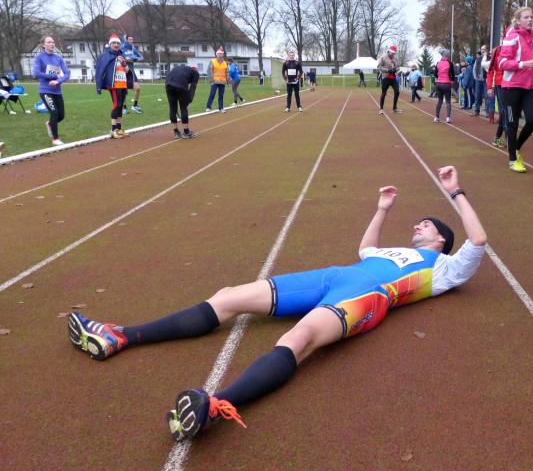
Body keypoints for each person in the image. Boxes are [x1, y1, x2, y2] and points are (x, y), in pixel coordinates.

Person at [67, 165, 487, 442]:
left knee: (298, 339)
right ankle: (121, 335)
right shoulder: (392, 250)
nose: (418, 225)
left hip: (363, 299)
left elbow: (479, 239)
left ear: (441, 239)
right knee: (229, 296)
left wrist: (455, 191)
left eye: (426, 225)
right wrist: (382, 210)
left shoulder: (445, 268)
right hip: (331, 277)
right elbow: (365, 249)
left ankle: (216, 406)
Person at [498, 6, 533, 173]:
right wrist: (523, 64)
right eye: (526, 17)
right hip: (511, 88)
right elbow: (502, 63)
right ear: (518, 21)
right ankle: (512, 160)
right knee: (512, 123)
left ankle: (516, 147)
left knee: (532, 120)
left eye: (531, 17)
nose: (530, 19)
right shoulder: (512, 37)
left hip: (527, 87)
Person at [33, 36, 71, 146]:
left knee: (61, 115)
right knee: (54, 113)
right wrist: (53, 76)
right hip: (45, 90)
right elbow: (36, 73)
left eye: (53, 42)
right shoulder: (39, 57)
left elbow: (67, 73)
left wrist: (58, 81)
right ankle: (55, 139)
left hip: (57, 90)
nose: (52, 44)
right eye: (49, 42)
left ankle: (50, 124)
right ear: (43, 45)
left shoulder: (58, 58)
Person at [95, 34, 133, 139]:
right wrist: (99, 85)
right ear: (110, 44)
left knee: (121, 106)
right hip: (114, 85)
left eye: (118, 43)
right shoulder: (106, 55)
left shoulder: (122, 55)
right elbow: (100, 69)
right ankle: (113, 130)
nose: (116, 45)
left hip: (123, 84)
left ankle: (119, 129)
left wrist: (124, 63)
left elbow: (127, 71)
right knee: (116, 105)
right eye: (114, 43)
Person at [165, 65, 201, 139]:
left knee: (172, 108)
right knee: (183, 108)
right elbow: (193, 87)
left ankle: (176, 132)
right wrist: (189, 100)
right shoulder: (196, 73)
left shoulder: (181, 68)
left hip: (168, 85)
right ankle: (186, 132)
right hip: (180, 85)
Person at [485, 43, 507, 146]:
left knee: (509, 112)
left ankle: (498, 137)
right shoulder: (497, 50)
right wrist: (489, 87)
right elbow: (490, 71)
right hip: (500, 84)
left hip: (513, 84)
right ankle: (507, 138)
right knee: (504, 111)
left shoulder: (516, 48)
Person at [121, 35, 144, 114]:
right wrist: (128, 59)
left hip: (132, 71)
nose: (132, 41)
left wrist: (136, 59)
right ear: (126, 40)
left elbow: (141, 57)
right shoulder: (122, 48)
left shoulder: (133, 48)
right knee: (124, 91)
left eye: (132, 39)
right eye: (130, 39)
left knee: (138, 88)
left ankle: (135, 106)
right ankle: (124, 108)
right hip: (124, 72)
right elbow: (122, 59)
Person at [377, 45, 402, 114]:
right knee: (384, 93)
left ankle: (394, 108)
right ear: (389, 51)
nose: (393, 54)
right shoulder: (383, 57)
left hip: (393, 77)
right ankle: (381, 109)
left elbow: (398, 67)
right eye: (393, 53)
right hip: (386, 77)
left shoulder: (395, 58)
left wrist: (395, 70)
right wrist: (388, 70)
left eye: (394, 53)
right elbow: (379, 67)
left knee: (397, 92)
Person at [433, 49, 456, 123]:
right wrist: (452, 80)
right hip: (446, 83)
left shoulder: (438, 63)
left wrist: (439, 77)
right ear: (447, 55)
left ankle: (436, 117)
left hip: (438, 83)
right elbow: (453, 73)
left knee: (439, 100)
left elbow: (435, 74)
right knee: (448, 101)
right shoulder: (450, 63)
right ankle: (448, 118)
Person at [205, 47, 229, 113]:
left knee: (221, 95)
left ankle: (221, 108)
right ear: (216, 55)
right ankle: (208, 107)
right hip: (214, 81)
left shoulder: (225, 63)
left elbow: (227, 72)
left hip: (222, 81)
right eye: (218, 54)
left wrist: (228, 80)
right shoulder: (212, 61)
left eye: (221, 54)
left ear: (222, 55)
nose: (220, 55)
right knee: (212, 94)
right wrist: (211, 80)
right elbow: (209, 71)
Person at [472, 45, 488, 117]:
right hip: (478, 80)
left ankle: (488, 112)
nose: (482, 50)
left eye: (484, 49)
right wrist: (476, 77)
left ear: (486, 50)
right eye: (481, 49)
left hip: (486, 80)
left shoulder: (489, 58)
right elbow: (474, 69)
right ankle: (477, 111)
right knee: (477, 95)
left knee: (486, 96)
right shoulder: (478, 59)